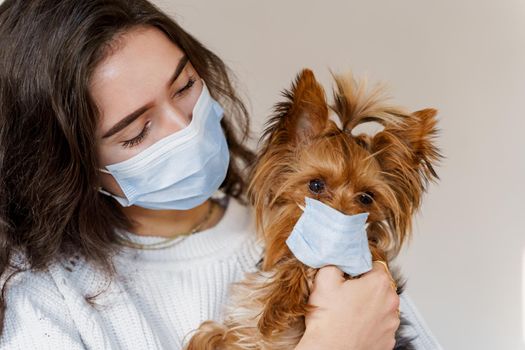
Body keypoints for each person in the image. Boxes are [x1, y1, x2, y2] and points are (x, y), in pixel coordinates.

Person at [0, 0, 441, 349]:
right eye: (135, 131)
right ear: (65, 164)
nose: (184, 126)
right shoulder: (43, 301)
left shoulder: (336, 258)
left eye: (185, 86)